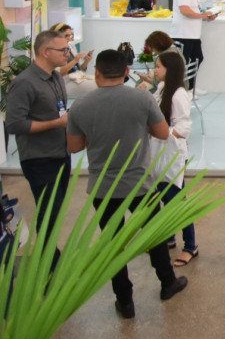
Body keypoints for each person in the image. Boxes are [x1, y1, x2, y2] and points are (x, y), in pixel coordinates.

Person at [66, 49, 187, 318]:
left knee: (113, 242)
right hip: (140, 184)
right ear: (125, 72)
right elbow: (163, 132)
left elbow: (74, 146)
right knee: (154, 236)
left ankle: (125, 300)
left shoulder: (81, 106)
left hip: (103, 188)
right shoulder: (142, 98)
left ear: (96, 73)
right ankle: (167, 283)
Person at [4, 30, 72, 266]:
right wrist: (56, 123)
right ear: (45, 52)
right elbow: (14, 124)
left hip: (61, 153)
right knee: (48, 214)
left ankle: (51, 260)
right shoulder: (24, 83)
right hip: (40, 159)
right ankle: (48, 267)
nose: (68, 54)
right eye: (63, 50)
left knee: (56, 212)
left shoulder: (56, 77)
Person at [150, 51, 198, 266]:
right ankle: (169, 237)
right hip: (159, 155)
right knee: (162, 198)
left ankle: (190, 246)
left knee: (177, 202)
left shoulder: (178, 94)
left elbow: (184, 127)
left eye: (158, 67)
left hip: (172, 156)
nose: (155, 70)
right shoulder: (162, 89)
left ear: (170, 70)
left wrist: (163, 132)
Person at [170, 0, 216, 89]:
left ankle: (191, 87)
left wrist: (206, 17)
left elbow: (197, 12)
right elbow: (185, 11)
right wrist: (202, 15)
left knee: (197, 58)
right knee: (183, 62)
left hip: (193, 35)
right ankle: (182, 88)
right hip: (183, 34)